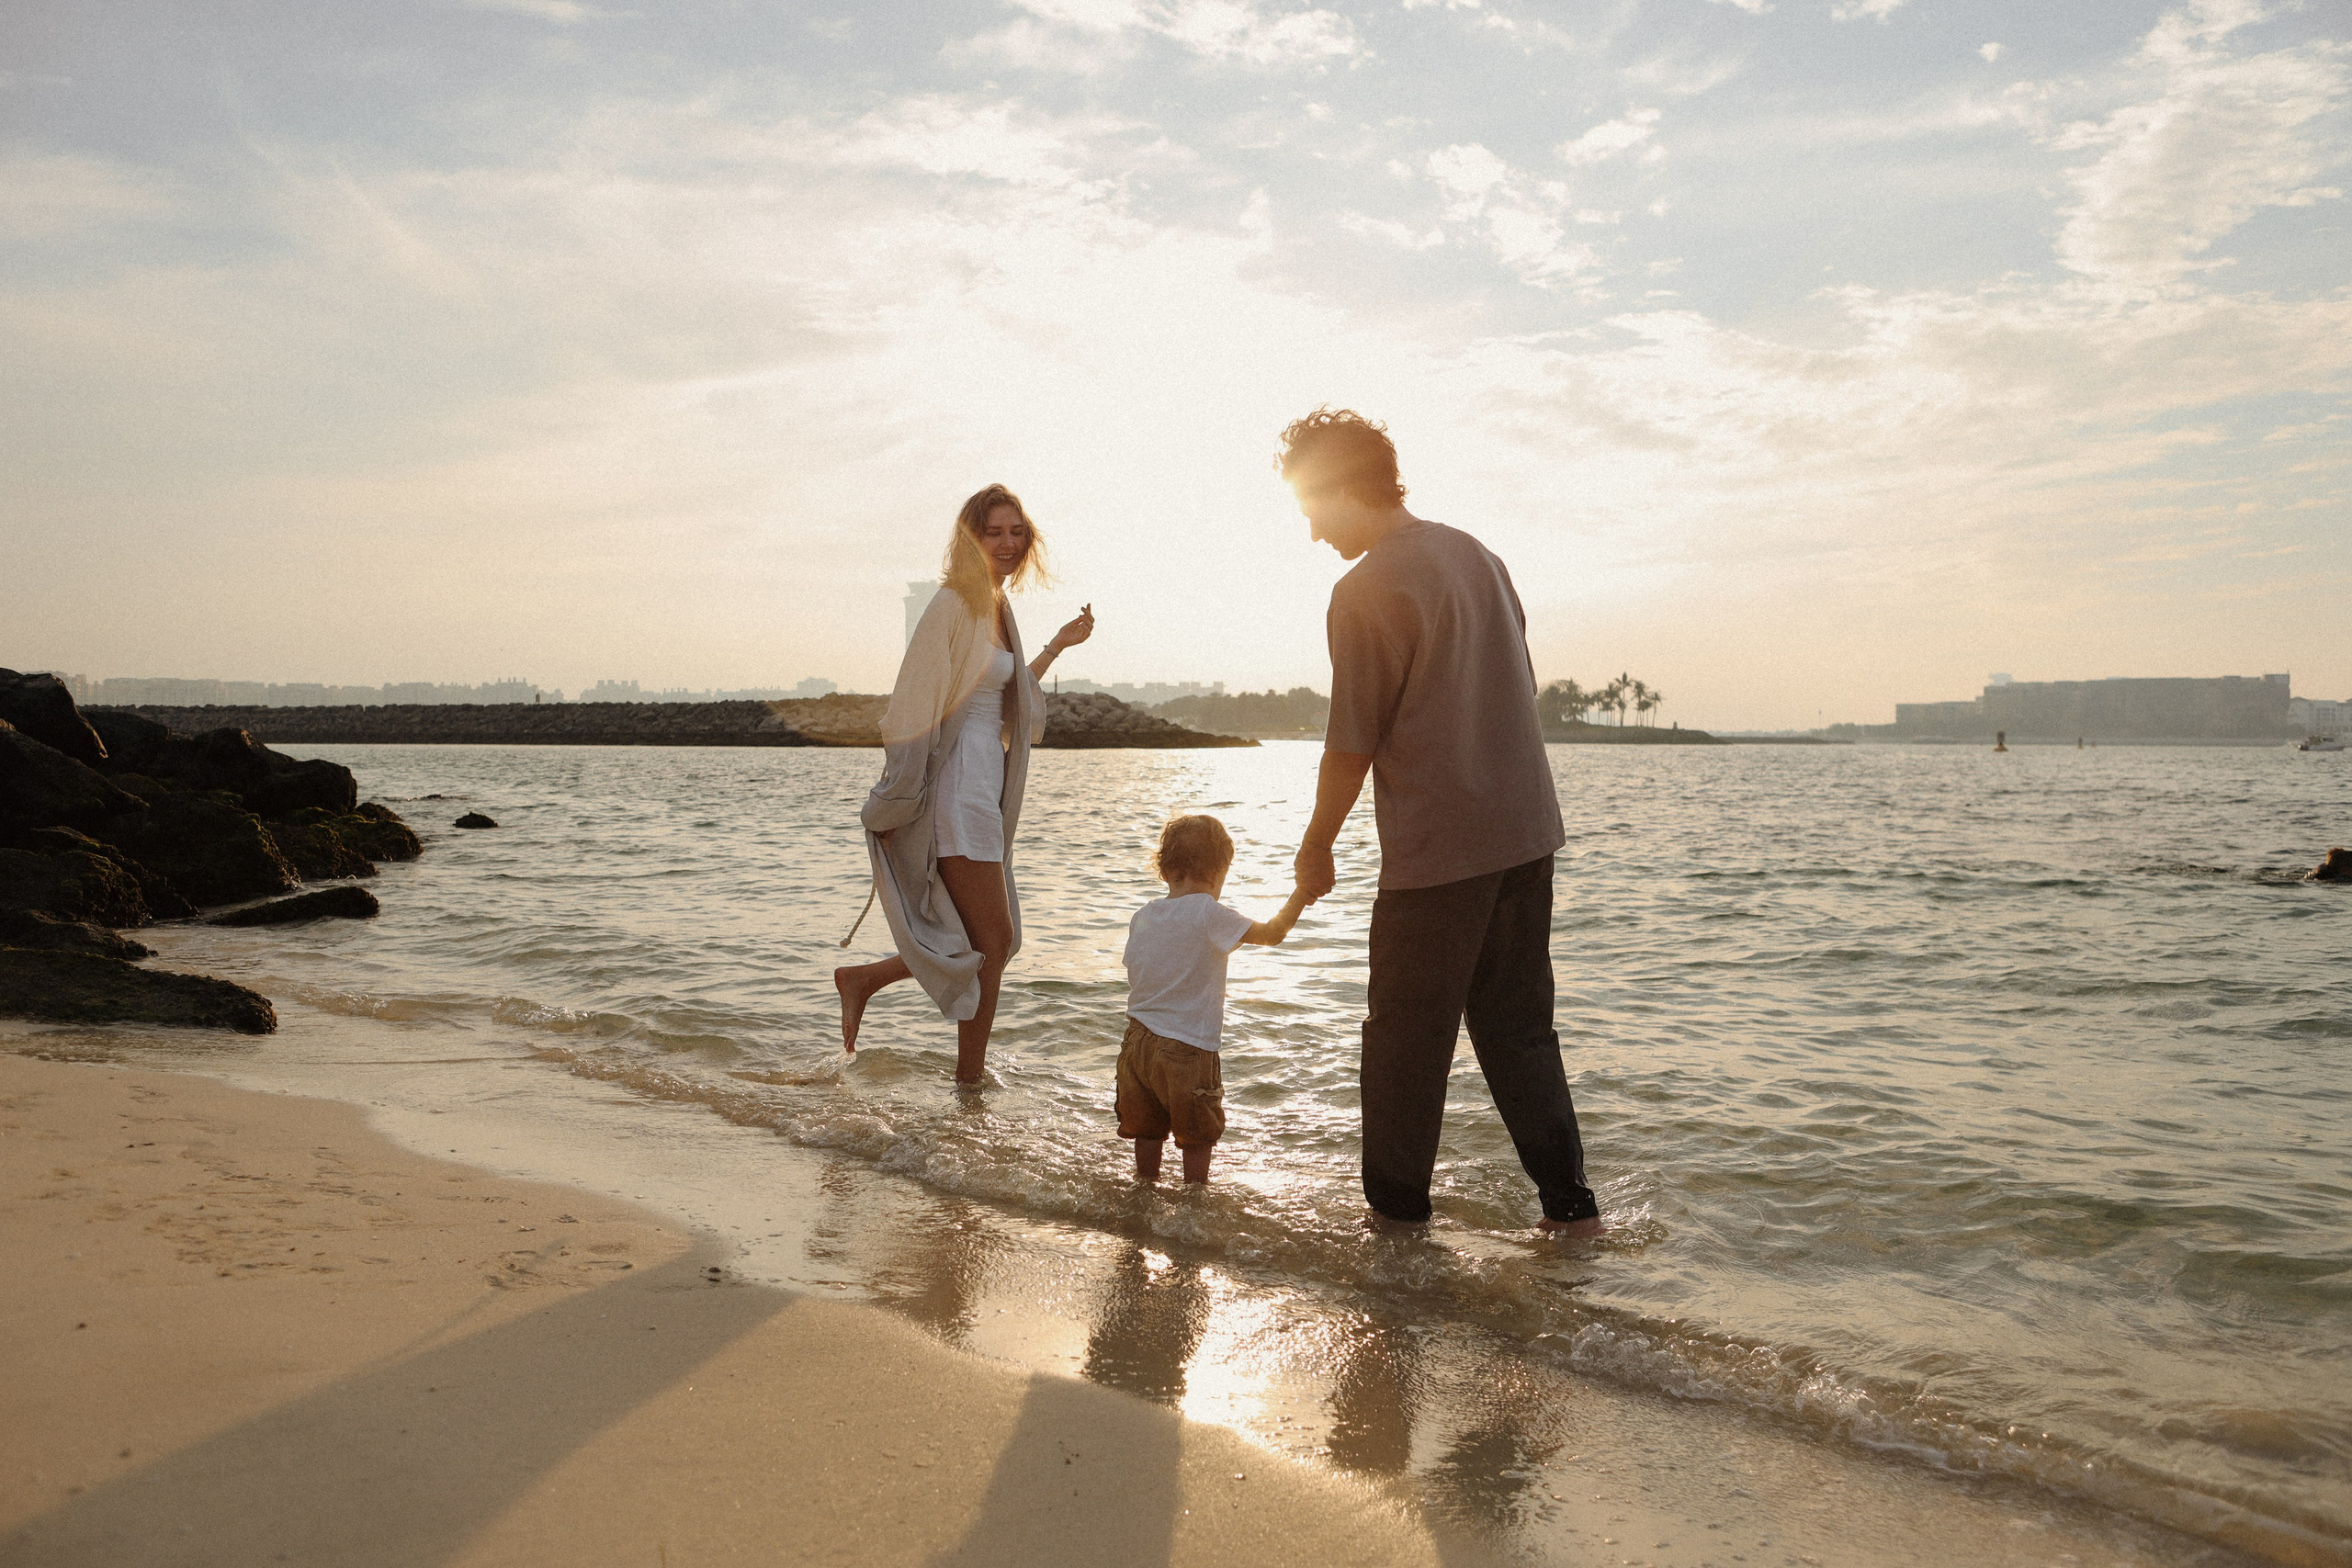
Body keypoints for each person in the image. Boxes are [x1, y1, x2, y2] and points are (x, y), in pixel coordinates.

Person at [1277, 408, 1602, 1236]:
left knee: (1405, 1047)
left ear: (1344, 488)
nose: (1312, 532)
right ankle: (1571, 1211)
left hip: (1441, 855)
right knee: (1520, 1031)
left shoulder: (1365, 589)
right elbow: (1514, 683)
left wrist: (1314, 848)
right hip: (1527, 833)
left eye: (1311, 508)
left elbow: (1350, 742)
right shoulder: (1479, 556)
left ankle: (1395, 1230)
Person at [834, 484, 1094, 1083]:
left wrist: (1056, 644)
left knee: (985, 938)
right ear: (971, 539)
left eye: (1016, 532)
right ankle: (968, 1082)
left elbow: (1009, 696)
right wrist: (901, 793)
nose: (1007, 543)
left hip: (984, 785)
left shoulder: (1000, 607)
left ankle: (867, 980)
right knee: (994, 938)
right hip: (951, 785)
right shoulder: (953, 603)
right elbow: (911, 704)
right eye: (994, 532)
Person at [1117, 815, 1310, 1184]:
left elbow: (1142, 967)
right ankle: (1194, 1206)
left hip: (1136, 1045)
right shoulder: (1209, 912)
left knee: (1147, 1130)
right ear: (1218, 871)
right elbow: (1272, 934)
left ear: (1165, 869)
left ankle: (1142, 1195)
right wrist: (1302, 894)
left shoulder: (1143, 915)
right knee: (1196, 1138)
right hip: (1187, 1049)